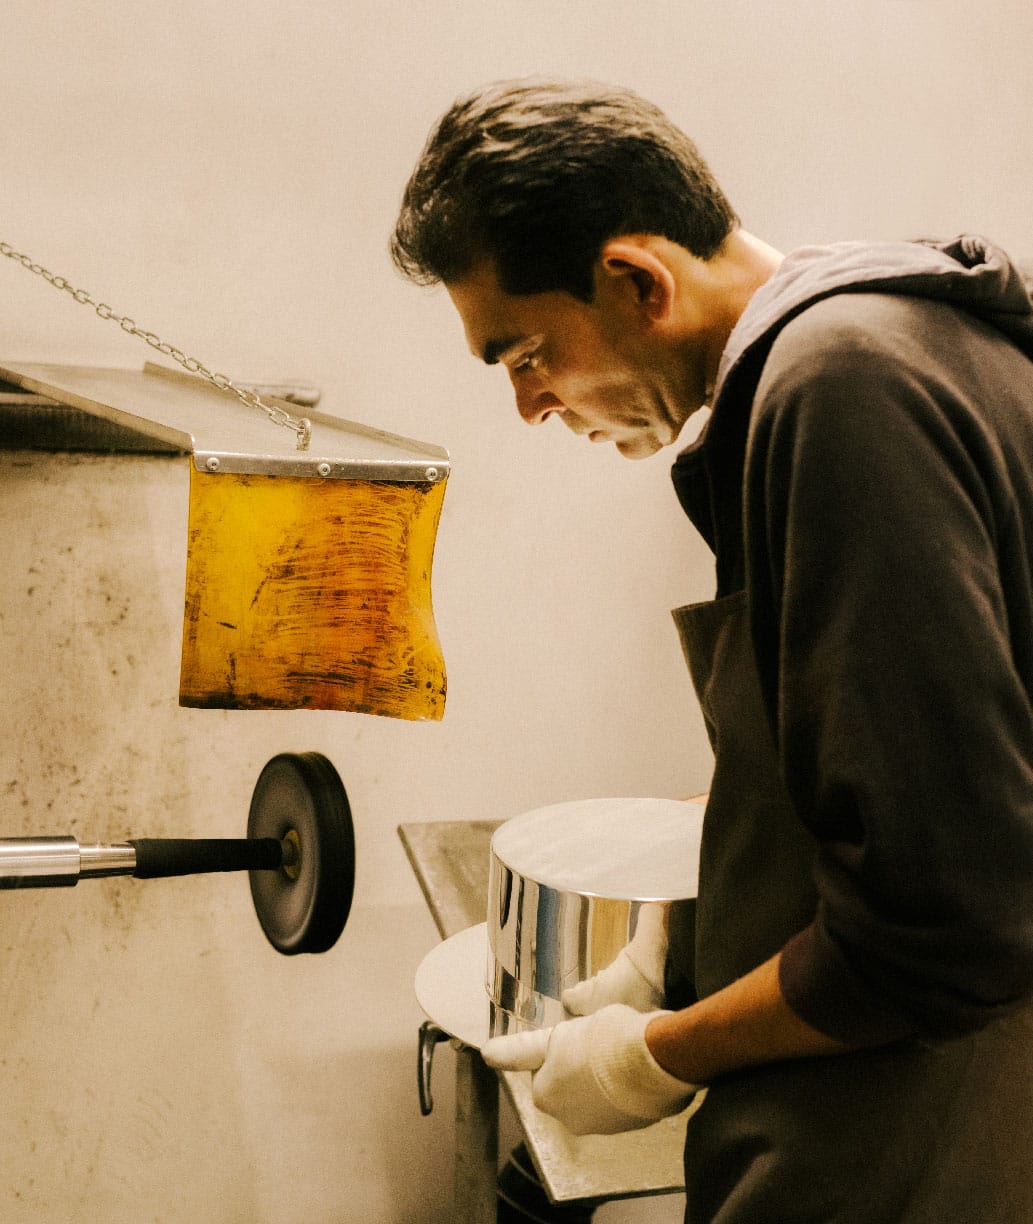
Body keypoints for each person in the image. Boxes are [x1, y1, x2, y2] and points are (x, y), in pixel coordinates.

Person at [391, 77, 1033, 1222]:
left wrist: (657, 1052)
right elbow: (881, 778)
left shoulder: (840, 387)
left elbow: (944, 930)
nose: (529, 406)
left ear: (638, 281)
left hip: (906, 1148)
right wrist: (686, 936)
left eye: (524, 352)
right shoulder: (885, 351)